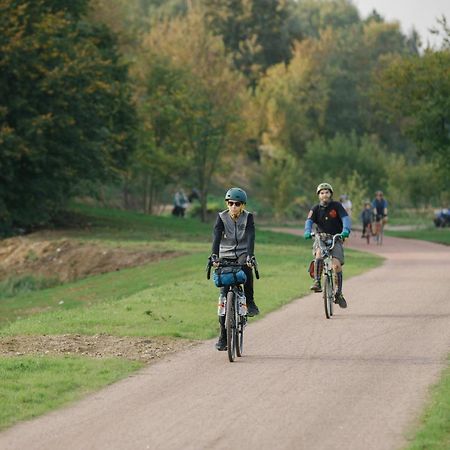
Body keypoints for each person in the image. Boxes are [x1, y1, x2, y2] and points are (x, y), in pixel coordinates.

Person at [210, 187, 259, 351]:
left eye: (237, 204)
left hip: (242, 253)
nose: (233, 207)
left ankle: (250, 301)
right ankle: (223, 337)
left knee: (247, 267)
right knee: (223, 297)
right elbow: (216, 237)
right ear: (227, 204)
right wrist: (214, 256)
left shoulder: (248, 218)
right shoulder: (221, 217)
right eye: (230, 203)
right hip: (225, 254)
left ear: (242, 205)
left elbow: (251, 236)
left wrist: (250, 256)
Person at [304, 182, 351, 308]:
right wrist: (307, 231)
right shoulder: (315, 208)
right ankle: (317, 282)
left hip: (336, 238)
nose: (325, 195)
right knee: (318, 255)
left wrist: (345, 230)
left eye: (327, 192)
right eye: (322, 193)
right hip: (321, 238)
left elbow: (345, 218)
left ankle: (338, 293)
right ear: (319, 195)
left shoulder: (337, 206)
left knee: (336, 266)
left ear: (331, 194)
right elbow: (309, 221)